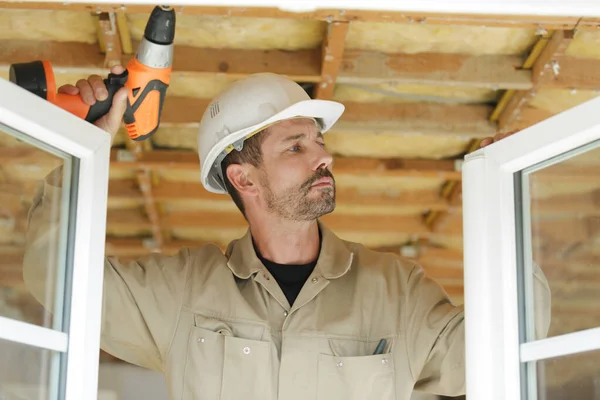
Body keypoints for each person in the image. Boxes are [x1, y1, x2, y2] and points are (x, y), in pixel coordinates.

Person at [22, 65, 551, 400]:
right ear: (243, 177)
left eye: (317, 141)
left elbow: (506, 347)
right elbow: (57, 278)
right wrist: (80, 151)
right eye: (296, 147)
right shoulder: (182, 293)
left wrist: (513, 193)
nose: (323, 156)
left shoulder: (398, 293)